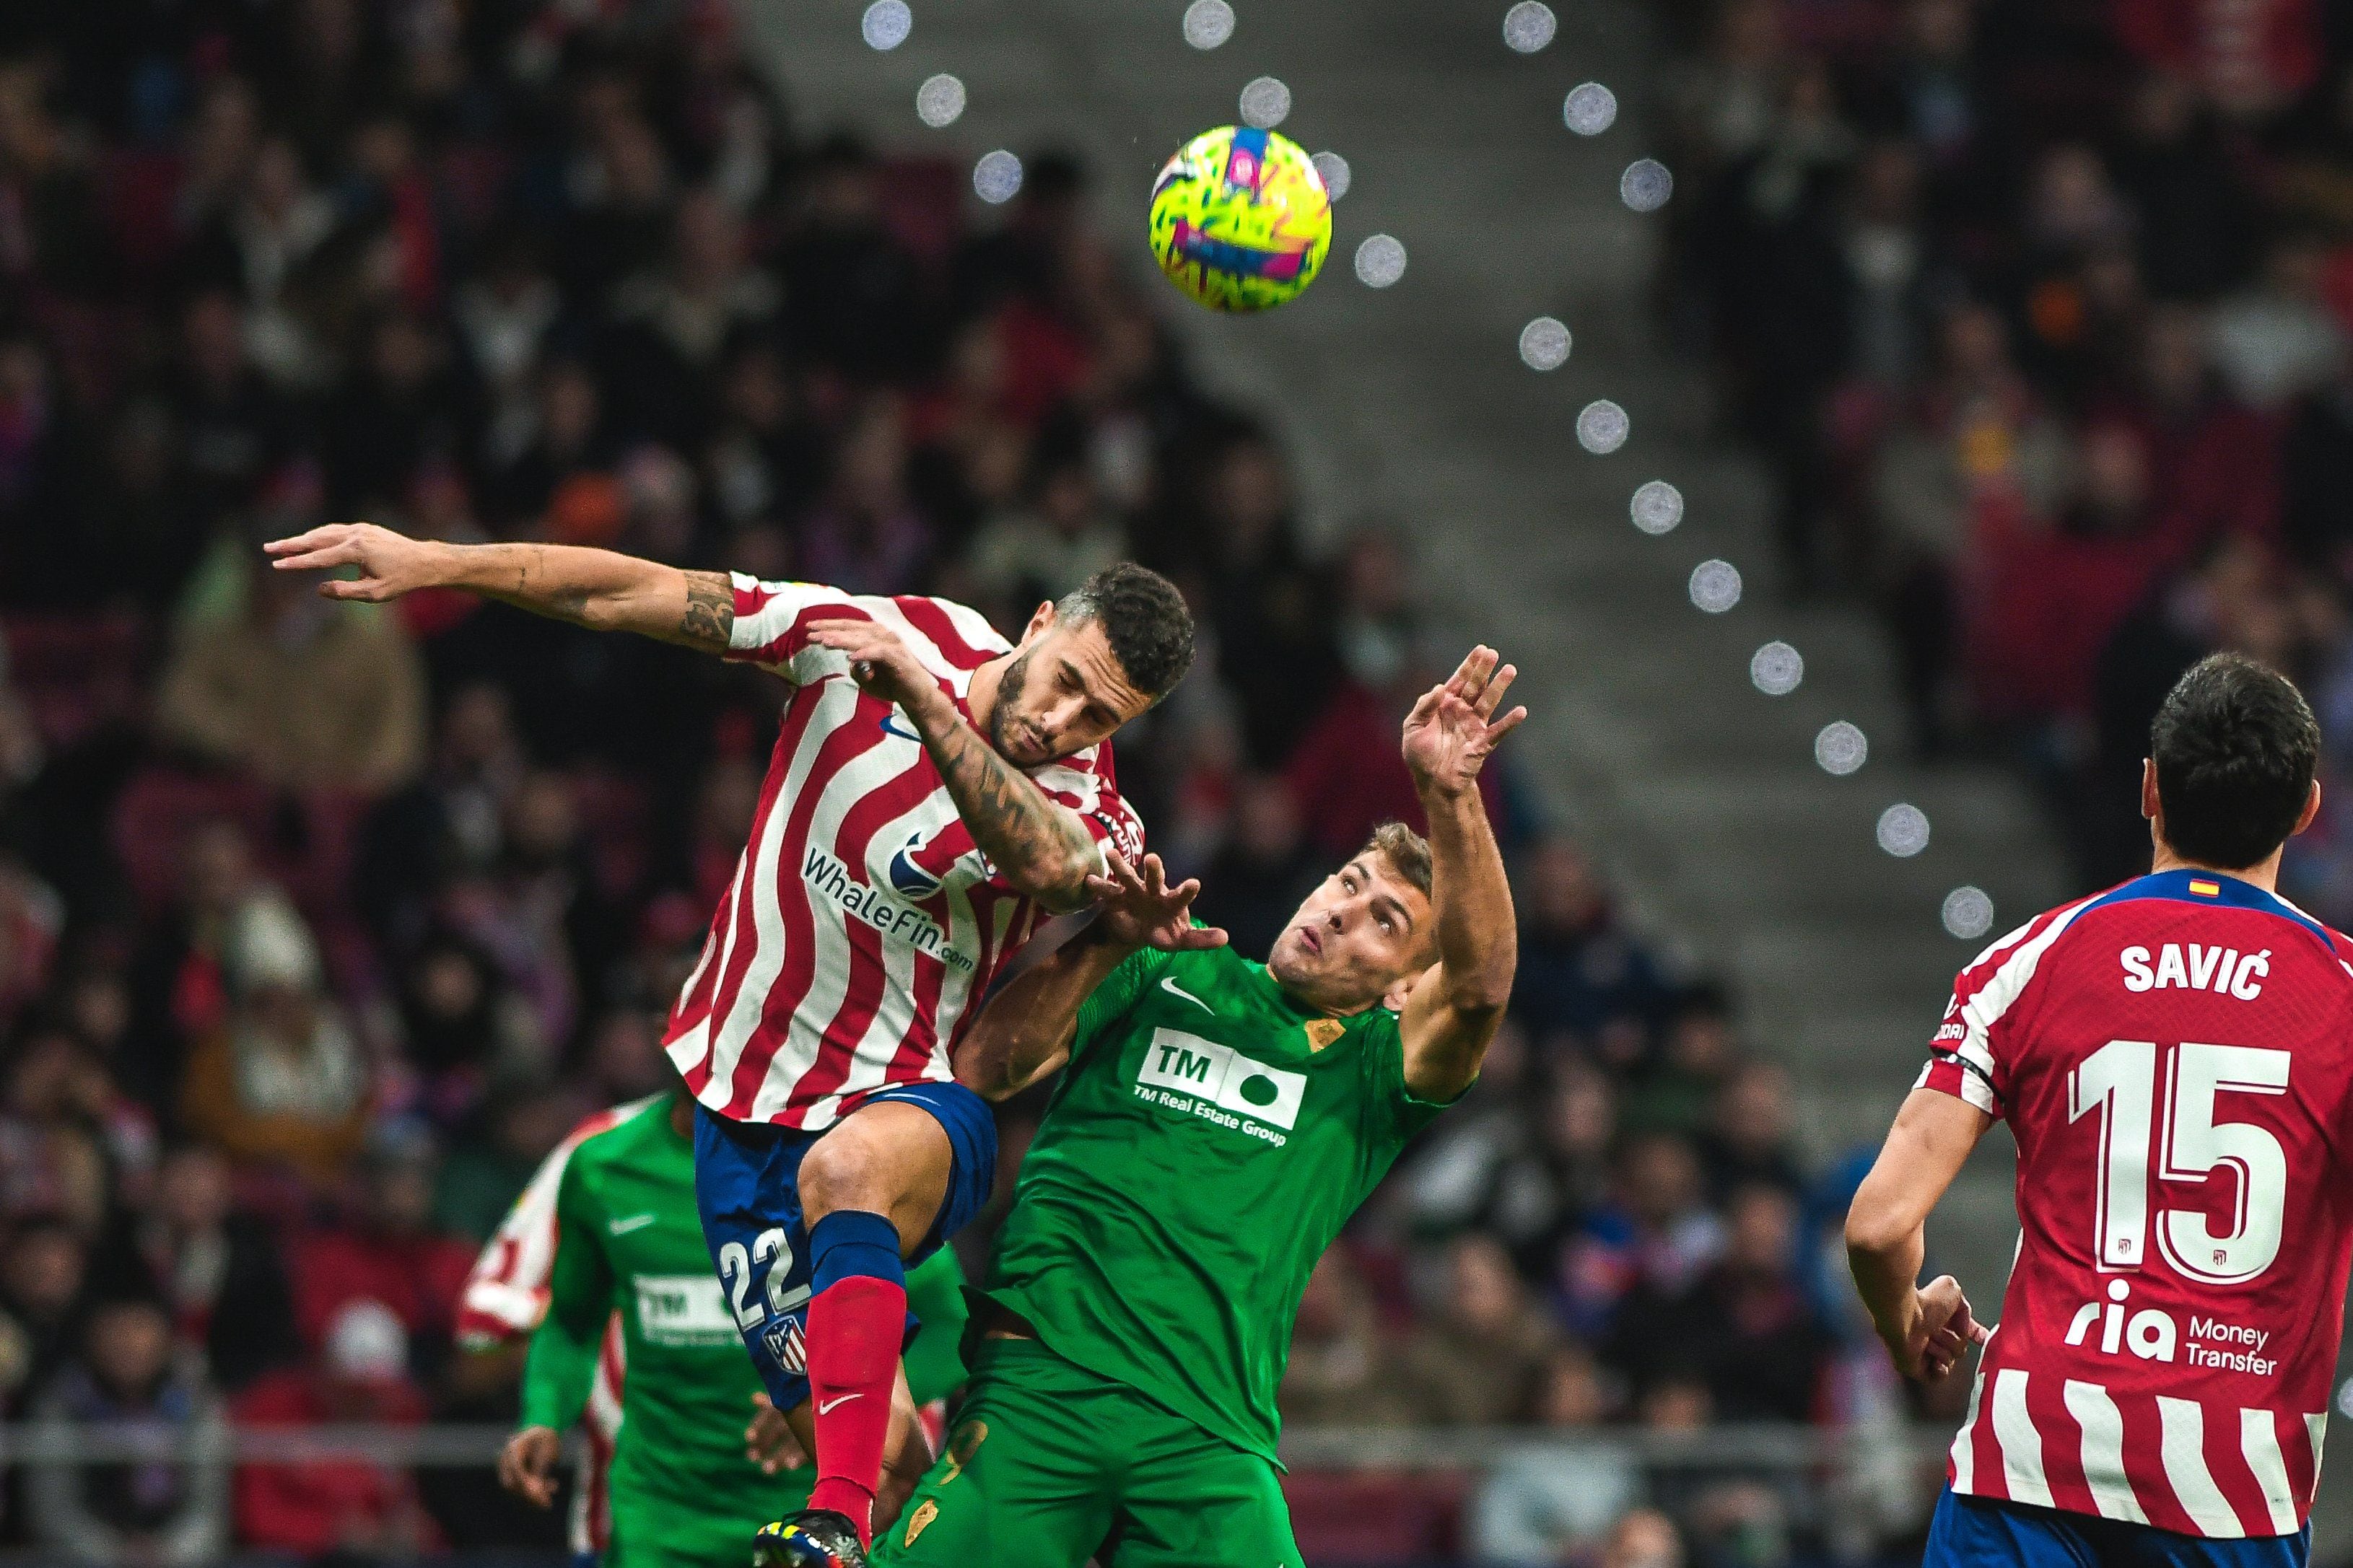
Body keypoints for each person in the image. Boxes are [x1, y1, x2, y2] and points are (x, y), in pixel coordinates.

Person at [266, 520, 1194, 1565]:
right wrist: (447, 564)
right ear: (1037, 623)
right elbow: (639, 593)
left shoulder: (1096, 812)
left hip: (908, 1106)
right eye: (1065, 679)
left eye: (1100, 715)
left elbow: (1046, 866)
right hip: (741, 1123)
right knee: (889, 1453)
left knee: (846, 1182)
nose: (1063, 720)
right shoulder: (873, 634)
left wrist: (930, 708)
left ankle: (831, 1519)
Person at [874, 646, 1524, 1567]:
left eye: (1385, 921)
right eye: (1348, 883)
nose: (1342, 909)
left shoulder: (1378, 1068)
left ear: (1399, 991)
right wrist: (1105, 942)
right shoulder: (1167, 963)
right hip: (1040, 1389)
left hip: (1208, 1434)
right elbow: (984, 1065)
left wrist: (1448, 794)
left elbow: (1481, 988)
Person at [1846, 652, 2349, 1562]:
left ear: (2149, 788)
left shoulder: (2028, 962)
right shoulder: (2343, 999)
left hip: (2027, 1476)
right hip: (2229, 1508)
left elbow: (1879, 1226)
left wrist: (1903, 1321)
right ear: (2307, 810)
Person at [471, 1090, 970, 1565]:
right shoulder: (604, 1163)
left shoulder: (845, 1162)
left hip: (811, 1518)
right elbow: (571, 1320)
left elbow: (951, 1328)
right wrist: (543, 1415)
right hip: (660, 1519)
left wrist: (840, 1403)